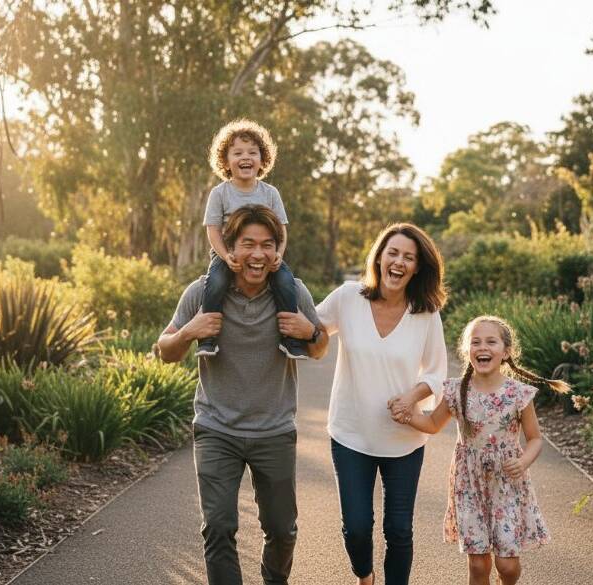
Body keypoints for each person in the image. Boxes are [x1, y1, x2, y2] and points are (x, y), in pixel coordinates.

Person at [157, 205, 328, 585]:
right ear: (229, 249)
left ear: (277, 250)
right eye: (248, 243)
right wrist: (188, 332)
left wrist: (311, 332)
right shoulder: (202, 293)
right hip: (217, 429)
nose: (258, 254)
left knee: (282, 530)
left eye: (267, 245)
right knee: (218, 527)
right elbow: (164, 350)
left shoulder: (292, 292)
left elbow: (320, 349)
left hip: (274, 431)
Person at [389, 315, 570, 585]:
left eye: (491, 342)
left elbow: (535, 439)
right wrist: (406, 414)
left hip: (507, 484)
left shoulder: (518, 394)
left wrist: (523, 462)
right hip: (469, 484)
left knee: (507, 566)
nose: (482, 347)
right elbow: (432, 424)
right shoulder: (455, 391)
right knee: (477, 564)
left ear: (506, 352)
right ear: (467, 351)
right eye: (475, 342)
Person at [315, 223, 448, 585]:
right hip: (351, 434)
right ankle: (365, 576)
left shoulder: (425, 313)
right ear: (379, 258)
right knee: (357, 528)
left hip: (404, 441)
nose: (399, 262)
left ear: (417, 268)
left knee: (399, 530)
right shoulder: (348, 298)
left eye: (409, 257)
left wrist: (412, 397)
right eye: (393, 253)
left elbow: (437, 373)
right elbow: (313, 328)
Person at [198, 118, 307, 360]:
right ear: (226, 161)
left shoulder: (270, 193)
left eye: (252, 152)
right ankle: (207, 338)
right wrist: (226, 256)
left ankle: (290, 340)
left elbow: (281, 229)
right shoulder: (220, 193)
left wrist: (278, 253)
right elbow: (213, 230)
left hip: (267, 253)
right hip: (227, 253)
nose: (245, 157)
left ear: (262, 159)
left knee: (286, 282)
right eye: (237, 153)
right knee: (215, 282)